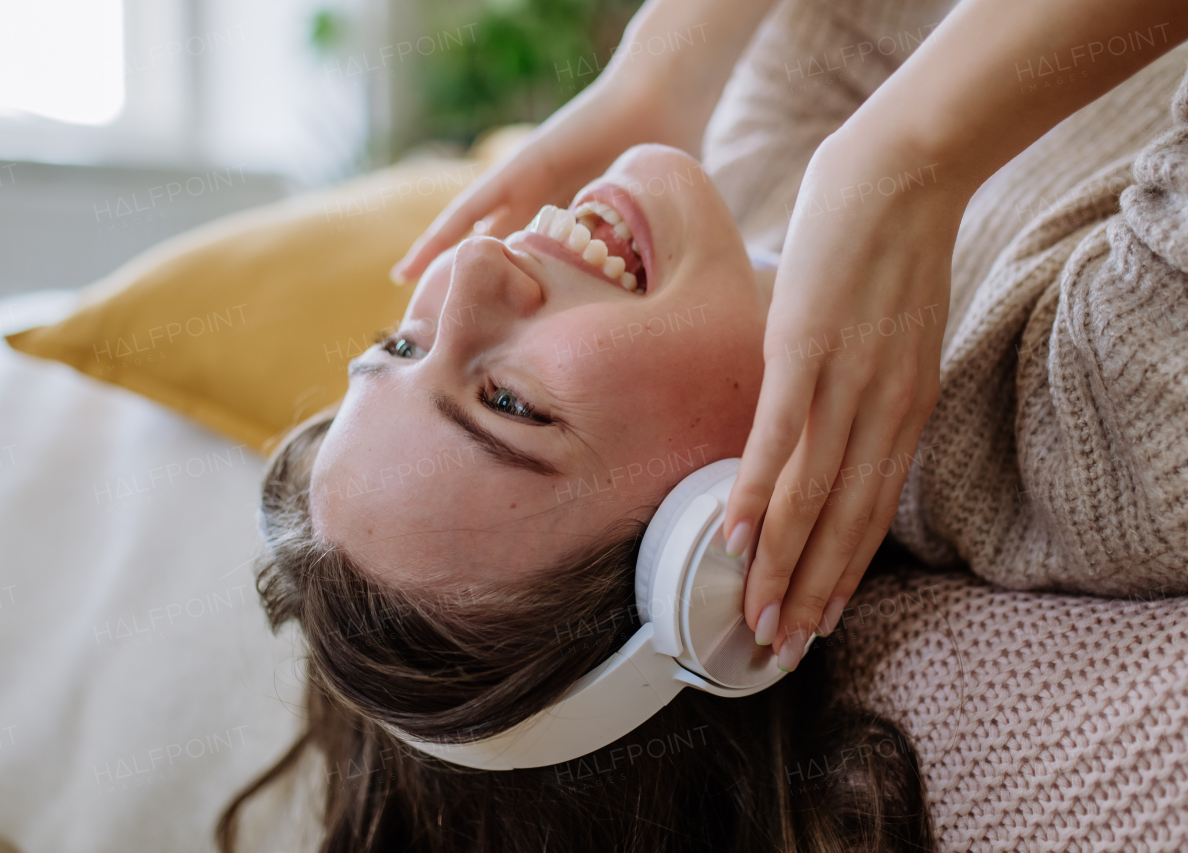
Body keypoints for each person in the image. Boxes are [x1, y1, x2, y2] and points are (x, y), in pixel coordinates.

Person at [216, 0, 1188, 850]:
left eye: (400, 342)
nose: (469, 271)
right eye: (508, 402)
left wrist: (660, 64)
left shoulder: (759, 179)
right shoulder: (1094, 430)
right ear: (714, 553)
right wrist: (907, 150)